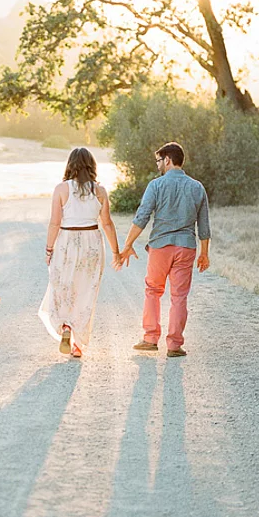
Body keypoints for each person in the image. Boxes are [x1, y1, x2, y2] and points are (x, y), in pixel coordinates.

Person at [120, 142, 210, 358]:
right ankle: (174, 345)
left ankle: (150, 338)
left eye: (159, 160)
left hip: (161, 246)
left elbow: (142, 217)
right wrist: (204, 254)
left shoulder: (156, 185)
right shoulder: (197, 187)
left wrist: (128, 244)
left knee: (153, 290)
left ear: (168, 160)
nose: (158, 165)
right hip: (186, 247)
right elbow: (204, 226)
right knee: (179, 297)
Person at [39, 147, 122, 358]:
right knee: (86, 292)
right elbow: (108, 224)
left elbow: (54, 223)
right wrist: (116, 252)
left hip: (66, 242)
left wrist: (49, 249)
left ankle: (65, 326)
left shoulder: (61, 189)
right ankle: (77, 344)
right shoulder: (100, 191)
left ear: (70, 165)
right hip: (92, 243)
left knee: (63, 287)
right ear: (91, 166)